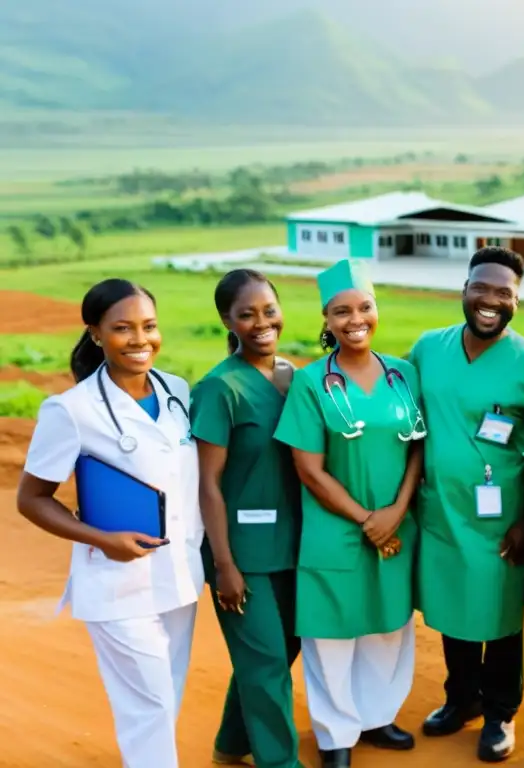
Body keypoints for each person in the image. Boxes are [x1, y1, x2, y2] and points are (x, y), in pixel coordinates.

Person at [16, 279, 203, 768]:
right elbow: (32, 499)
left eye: (149, 326)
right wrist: (101, 538)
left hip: (178, 574)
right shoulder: (70, 410)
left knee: (166, 695)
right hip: (117, 581)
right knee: (151, 703)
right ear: (96, 334)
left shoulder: (177, 392)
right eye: (123, 328)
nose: (141, 339)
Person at [273, 259, 425, 768]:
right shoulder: (312, 383)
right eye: (342, 311)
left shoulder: (403, 375)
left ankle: (377, 718)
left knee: (387, 628)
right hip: (336, 530)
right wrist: (367, 520)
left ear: (376, 309)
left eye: (364, 307)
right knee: (332, 636)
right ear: (326, 319)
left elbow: (417, 449)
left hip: (395, 526)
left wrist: (396, 512)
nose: (355, 319)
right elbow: (309, 470)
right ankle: (336, 736)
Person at [410, 246, 524, 763]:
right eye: (481, 288)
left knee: (500, 616)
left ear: (517, 300)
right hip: (442, 511)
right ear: (463, 290)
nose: (490, 300)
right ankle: (460, 698)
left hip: (502, 520)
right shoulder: (428, 349)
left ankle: (499, 713)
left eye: (504, 293)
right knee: (452, 609)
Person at [189, 269, 304, 768]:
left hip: (295, 545)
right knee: (266, 662)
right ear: (226, 321)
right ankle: (280, 761)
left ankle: (231, 745)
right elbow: (207, 483)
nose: (261, 323)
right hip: (241, 553)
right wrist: (224, 565)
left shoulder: (289, 376)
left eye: (269, 310)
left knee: (278, 654)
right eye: (247, 315)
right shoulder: (219, 389)